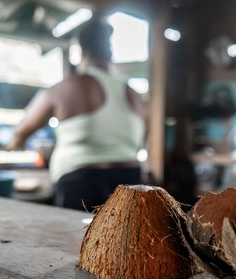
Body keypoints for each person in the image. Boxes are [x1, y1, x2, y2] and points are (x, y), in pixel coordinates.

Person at [8, 18, 147, 211]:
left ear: (81, 51)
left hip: (81, 186)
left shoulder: (69, 86)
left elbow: (22, 129)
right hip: (132, 183)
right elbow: (143, 138)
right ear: (109, 52)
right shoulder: (134, 93)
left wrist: (16, 142)